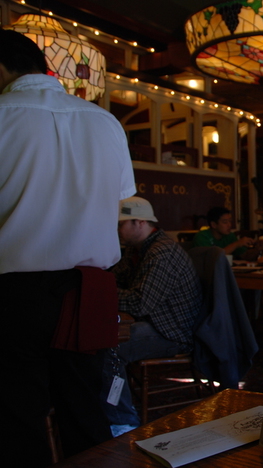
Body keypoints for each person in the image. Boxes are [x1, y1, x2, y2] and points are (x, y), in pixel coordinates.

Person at [0, 30, 135, 466]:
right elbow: (117, 201)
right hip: (88, 290)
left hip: (13, 293)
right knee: (85, 408)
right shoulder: (105, 122)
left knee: (17, 416)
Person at [102, 196, 203, 435]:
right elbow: (117, 279)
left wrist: (101, 294)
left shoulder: (161, 252)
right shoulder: (138, 249)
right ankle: (109, 408)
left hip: (172, 332)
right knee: (102, 338)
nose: (116, 230)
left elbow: (139, 303)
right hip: (156, 323)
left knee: (108, 346)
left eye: (120, 224)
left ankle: (122, 422)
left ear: (139, 223)